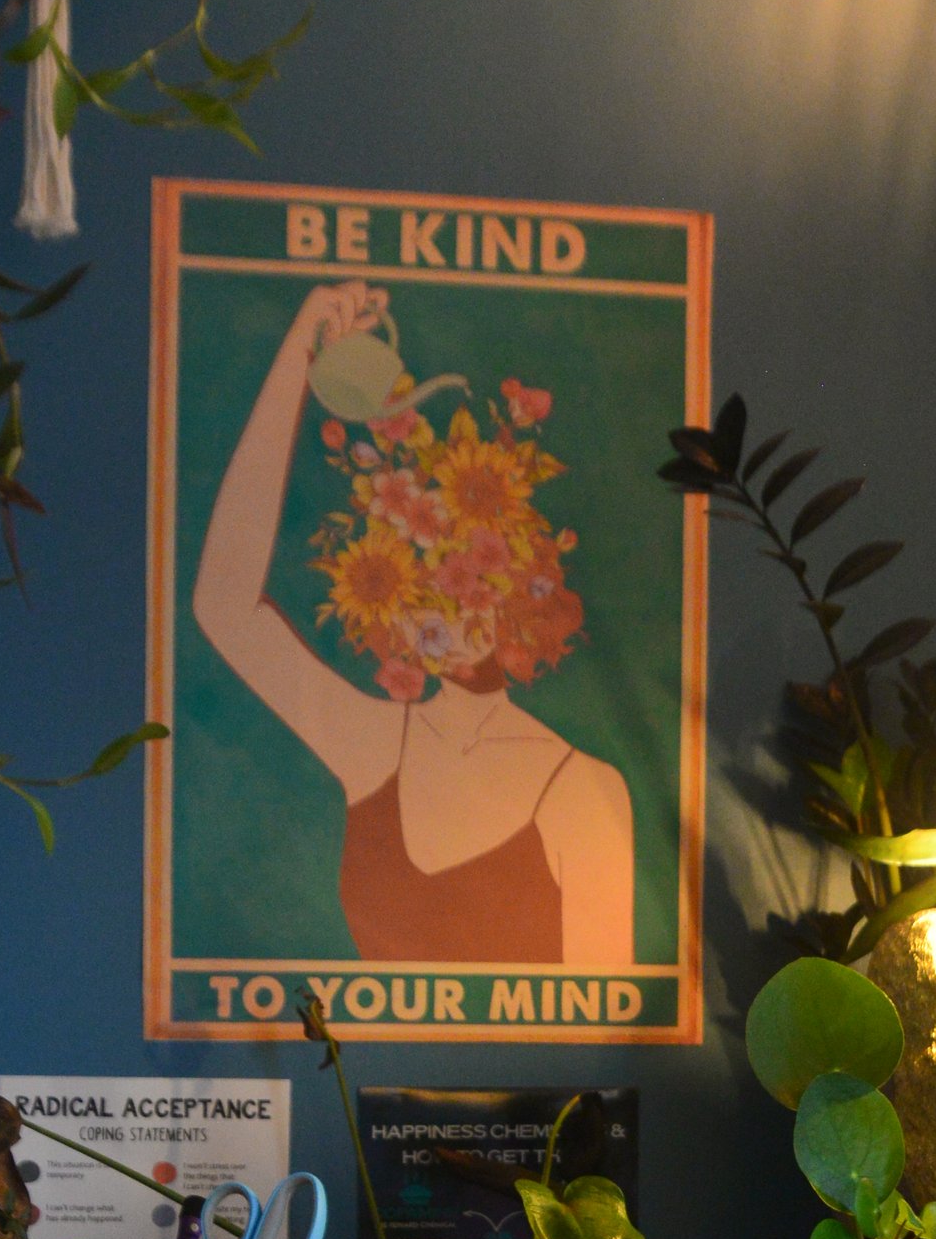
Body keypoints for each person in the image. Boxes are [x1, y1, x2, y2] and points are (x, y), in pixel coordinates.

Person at [194, 280, 636, 967]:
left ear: (521, 579)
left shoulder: (583, 788)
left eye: (481, 572)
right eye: (435, 586)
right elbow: (224, 605)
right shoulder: (375, 748)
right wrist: (299, 352)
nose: (467, 604)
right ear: (391, 613)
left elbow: (606, 1036)